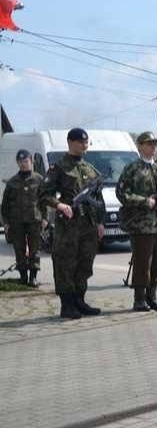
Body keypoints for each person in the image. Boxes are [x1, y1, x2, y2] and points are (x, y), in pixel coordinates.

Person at [39, 128, 105, 319]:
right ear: (70, 142)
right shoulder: (58, 168)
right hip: (68, 226)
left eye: (86, 142)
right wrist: (59, 205)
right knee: (65, 264)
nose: (85, 146)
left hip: (89, 225)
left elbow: (98, 198)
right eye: (80, 142)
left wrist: (100, 223)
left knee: (85, 263)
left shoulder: (90, 169)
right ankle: (67, 305)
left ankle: (80, 300)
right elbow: (44, 194)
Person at [117, 132, 157, 312]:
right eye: (149, 144)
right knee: (143, 262)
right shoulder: (132, 168)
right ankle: (139, 299)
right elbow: (122, 193)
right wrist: (143, 201)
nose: (153, 147)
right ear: (140, 146)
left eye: (155, 144)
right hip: (141, 224)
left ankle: (152, 296)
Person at [2, 149, 45, 287]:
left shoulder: (39, 179)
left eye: (26, 161)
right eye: (20, 162)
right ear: (17, 163)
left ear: (31, 162)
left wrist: (45, 218)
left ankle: (33, 277)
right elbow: (5, 204)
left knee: (35, 249)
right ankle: (23, 277)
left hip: (35, 219)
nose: (23, 164)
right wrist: (6, 222)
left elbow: (46, 200)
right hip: (17, 221)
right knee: (19, 249)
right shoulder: (12, 182)